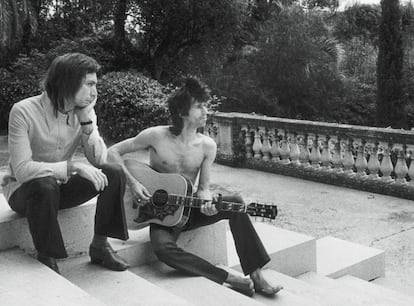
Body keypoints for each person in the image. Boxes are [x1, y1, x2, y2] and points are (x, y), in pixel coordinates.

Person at [108, 76, 283, 296]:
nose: (206, 111)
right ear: (182, 111)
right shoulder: (155, 136)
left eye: (205, 106)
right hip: (159, 212)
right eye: (199, 106)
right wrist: (132, 183)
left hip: (189, 208)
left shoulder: (207, 146)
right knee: (163, 250)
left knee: (236, 202)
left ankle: (257, 275)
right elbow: (112, 152)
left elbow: (203, 188)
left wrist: (206, 201)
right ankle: (227, 277)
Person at [1, 53, 130, 273]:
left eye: (95, 85)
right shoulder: (23, 111)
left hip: (59, 190)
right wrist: (73, 167)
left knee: (114, 172)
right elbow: (22, 171)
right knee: (45, 184)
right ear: (68, 81)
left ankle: (100, 245)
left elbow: (99, 160)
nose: (94, 92)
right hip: (25, 192)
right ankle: (48, 257)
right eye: (89, 84)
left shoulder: (84, 112)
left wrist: (87, 124)